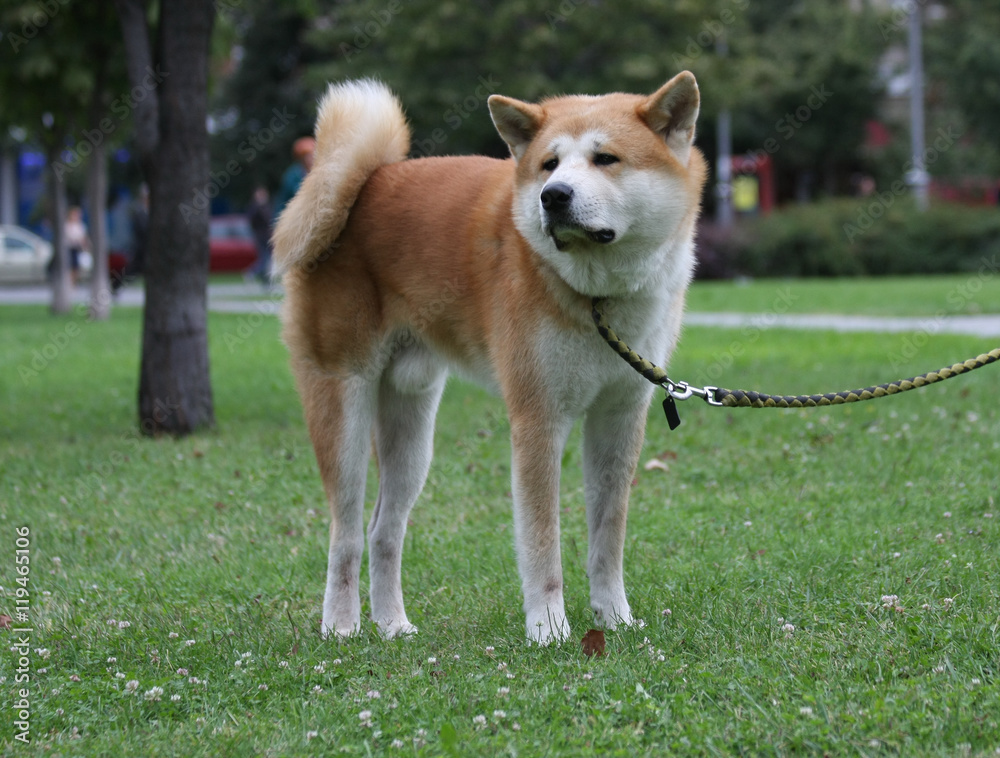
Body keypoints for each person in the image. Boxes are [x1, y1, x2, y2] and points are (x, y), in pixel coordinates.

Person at [245, 186, 273, 284]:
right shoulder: (256, 207)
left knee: (267, 258)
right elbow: (252, 221)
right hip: (260, 237)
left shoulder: (266, 206)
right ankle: (252, 272)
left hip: (266, 236)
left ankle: (265, 280)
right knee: (265, 258)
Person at [64, 206, 90, 286]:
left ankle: (73, 283)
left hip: (77, 248)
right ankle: (68, 283)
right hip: (69, 248)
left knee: (76, 267)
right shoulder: (67, 225)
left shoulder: (81, 225)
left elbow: (83, 237)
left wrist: (86, 246)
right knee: (69, 267)